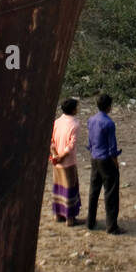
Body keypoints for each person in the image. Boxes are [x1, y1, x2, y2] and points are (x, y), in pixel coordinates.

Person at [86, 94, 124, 234]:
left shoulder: (91, 120)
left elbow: (90, 141)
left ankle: (90, 221)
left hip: (94, 158)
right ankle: (111, 226)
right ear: (109, 106)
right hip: (106, 159)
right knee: (111, 193)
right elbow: (112, 148)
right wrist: (116, 163)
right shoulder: (109, 123)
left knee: (94, 191)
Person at [49, 98, 82, 226]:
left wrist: (55, 155)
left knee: (58, 187)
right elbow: (70, 146)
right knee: (70, 188)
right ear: (73, 110)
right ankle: (70, 218)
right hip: (68, 162)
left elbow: (51, 141)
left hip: (56, 162)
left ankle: (58, 215)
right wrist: (61, 156)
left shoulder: (56, 122)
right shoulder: (75, 124)